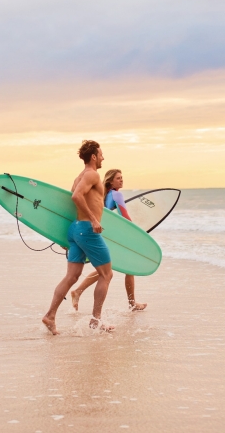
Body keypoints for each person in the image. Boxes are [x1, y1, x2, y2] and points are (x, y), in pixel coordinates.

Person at [42, 140, 114, 335]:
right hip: (87, 230)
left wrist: (70, 238)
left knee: (72, 276)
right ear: (93, 156)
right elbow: (76, 198)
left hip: (76, 230)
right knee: (107, 274)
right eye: (100, 154)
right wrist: (93, 220)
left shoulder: (79, 177)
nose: (103, 158)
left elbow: (70, 204)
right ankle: (95, 321)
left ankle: (50, 315)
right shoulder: (92, 174)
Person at [70, 169, 147, 312]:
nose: (121, 180)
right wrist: (137, 233)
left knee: (106, 269)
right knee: (117, 269)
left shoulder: (104, 194)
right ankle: (131, 303)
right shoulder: (117, 194)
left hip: (104, 232)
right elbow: (124, 215)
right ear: (111, 181)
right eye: (118, 178)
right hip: (114, 235)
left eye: (122, 177)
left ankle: (79, 291)